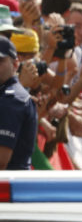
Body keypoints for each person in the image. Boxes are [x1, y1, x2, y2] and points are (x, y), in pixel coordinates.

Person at [0, 36, 36, 169]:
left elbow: (1, 161)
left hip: (9, 186)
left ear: (15, 64)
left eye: (0, 61)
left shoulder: (11, 100)